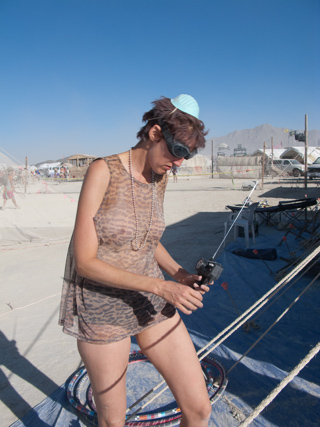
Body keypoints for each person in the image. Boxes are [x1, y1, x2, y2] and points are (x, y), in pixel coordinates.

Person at [59, 94, 212, 427]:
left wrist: (180, 274)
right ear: (155, 134)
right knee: (114, 421)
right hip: (102, 306)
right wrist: (162, 286)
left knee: (199, 409)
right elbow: (85, 262)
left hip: (149, 298)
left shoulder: (160, 176)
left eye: (188, 155)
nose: (180, 163)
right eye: (178, 151)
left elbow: (147, 238)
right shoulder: (103, 171)